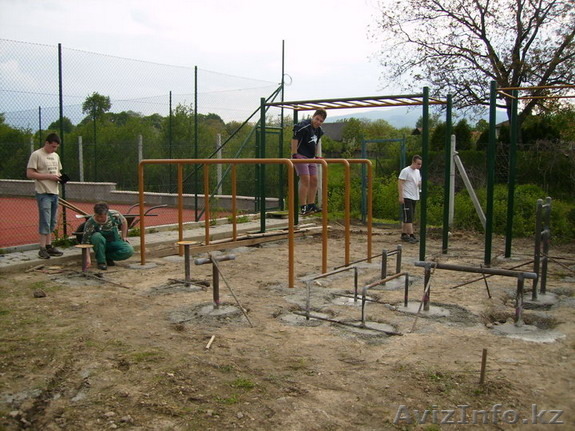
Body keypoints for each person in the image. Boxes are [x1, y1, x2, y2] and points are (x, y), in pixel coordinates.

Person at [26, 133, 65, 259]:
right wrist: (48, 177)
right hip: (43, 192)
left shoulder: (55, 156)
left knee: (52, 220)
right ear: (47, 143)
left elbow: (57, 171)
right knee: (45, 219)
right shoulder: (36, 154)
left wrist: (60, 178)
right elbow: (30, 173)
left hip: (54, 192)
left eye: (56, 147)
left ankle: (49, 245)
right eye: (52, 146)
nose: (54, 149)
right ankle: (42, 248)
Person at [291, 108, 327, 215]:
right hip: (300, 155)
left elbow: (314, 143)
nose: (318, 122)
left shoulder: (318, 130)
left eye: (321, 121)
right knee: (305, 179)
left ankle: (311, 204)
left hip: (311, 157)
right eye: (317, 119)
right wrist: (294, 154)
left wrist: (316, 156)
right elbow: (294, 138)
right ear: (313, 117)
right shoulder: (304, 126)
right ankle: (303, 206)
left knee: (314, 180)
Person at [81, 202, 134, 270]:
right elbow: (85, 243)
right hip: (100, 243)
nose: (99, 219)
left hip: (114, 241)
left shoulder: (114, 214)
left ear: (106, 214)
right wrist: (88, 259)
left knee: (129, 250)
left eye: (101, 217)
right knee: (96, 236)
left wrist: (124, 236)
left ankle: (108, 257)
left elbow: (124, 221)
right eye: (97, 216)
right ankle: (101, 262)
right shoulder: (90, 223)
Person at [398, 155, 423, 244]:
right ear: (413, 162)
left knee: (409, 216)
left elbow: (418, 182)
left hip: (414, 196)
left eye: (420, 164)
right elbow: (400, 182)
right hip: (407, 196)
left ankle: (404, 233)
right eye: (418, 164)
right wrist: (401, 196)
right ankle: (411, 235)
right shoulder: (405, 171)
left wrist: (419, 184)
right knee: (408, 217)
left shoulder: (417, 172)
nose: (419, 166)